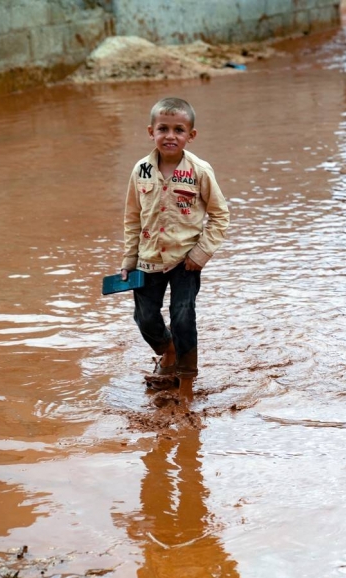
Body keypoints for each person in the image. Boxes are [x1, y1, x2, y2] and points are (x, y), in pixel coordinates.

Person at [120, 97, 229, 403]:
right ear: (150, 132)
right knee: (144, 317)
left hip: (186, 261)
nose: (170, 135)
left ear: (190, 135)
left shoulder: (200, 170)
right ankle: (166, 351)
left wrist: (201, 253)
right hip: (148, 259)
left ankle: (186, 382)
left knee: (183, 315)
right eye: (163, 128)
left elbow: (221, 215)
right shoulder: (140, 171)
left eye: (178, 129)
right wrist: (129, 259)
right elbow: (131, 217)